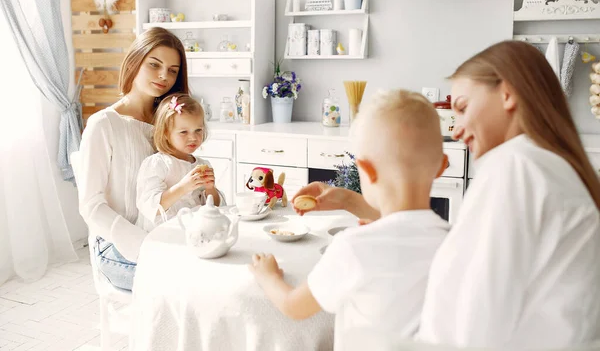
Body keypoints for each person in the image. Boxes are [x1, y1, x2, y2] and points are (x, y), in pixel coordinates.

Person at [293, 40, 600, 348]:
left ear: (507, 94)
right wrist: (351, 201)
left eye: (463, 108)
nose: (455, 130)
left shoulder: (515, 166)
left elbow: (474, 320)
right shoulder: (551, 168)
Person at [249, 89, 451, 350]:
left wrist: (269, 277)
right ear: (442, 166)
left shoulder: (354, 246)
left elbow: (294, 307)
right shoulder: (453, 242)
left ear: (365, 170)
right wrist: (346, 200)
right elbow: (404, 224)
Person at [77, 27, 189, 291]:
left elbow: (184, 180)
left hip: (166, 237)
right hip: (117, 247)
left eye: (173, 70)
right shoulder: (104, 124)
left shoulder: (170, 123)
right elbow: (91, 206)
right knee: (194, 284)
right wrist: (144, 244)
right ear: (134, 61)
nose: (164, 75)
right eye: (154, 64)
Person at [136, 94, 223, 232]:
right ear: (165, 133)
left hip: (193, 233)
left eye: (198, 130)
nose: (193, 137)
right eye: (183, 132)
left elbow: (215, 207)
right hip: (163, 235)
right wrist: (183, 187)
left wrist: (210, 188)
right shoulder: (157, 164)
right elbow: (150, 206)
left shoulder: (201, 164)